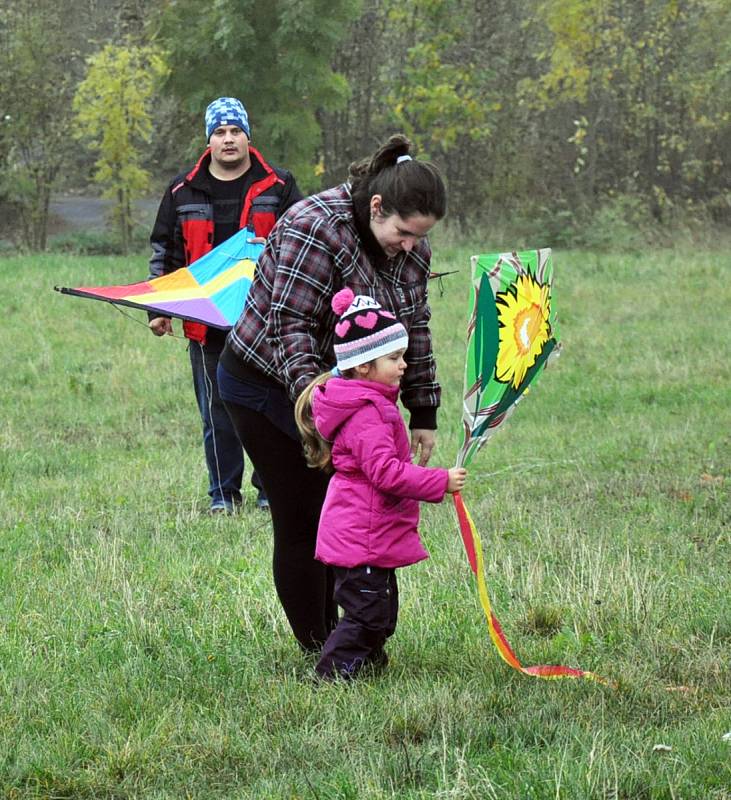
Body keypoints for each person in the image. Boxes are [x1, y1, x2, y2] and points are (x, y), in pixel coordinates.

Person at [218, 133, 447, 651]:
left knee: (342, 510)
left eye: (419, 237)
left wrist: (423, 408)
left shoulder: (410, 249)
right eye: (404, 233)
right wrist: (317, 413)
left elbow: (415, 326)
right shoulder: (313, 227)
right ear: (376, 206)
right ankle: (319, 645)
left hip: (346, 393)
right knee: (302, 513)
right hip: (267, 384)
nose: (410, 246)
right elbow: (291, 326)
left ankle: (346, 633)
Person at [294, 288, 467, 680]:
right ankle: (331, 675)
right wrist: (439, 482)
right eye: (394, 358)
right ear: (362, 367)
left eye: (402, 355)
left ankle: (368, 663)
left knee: (380, 614)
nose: (404, 365)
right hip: (361, 536)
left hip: (370, 533)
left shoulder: (373, 402)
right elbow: (385, 472)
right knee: (368, 614)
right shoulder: (366, 414)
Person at [147, 97, 302, 514]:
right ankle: (223, 495)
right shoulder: (183, 190)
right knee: (217, 412)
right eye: (220, 132)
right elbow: (165, 252)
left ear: (247, 137)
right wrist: (158, 307)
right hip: (206, 322)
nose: (228, 139)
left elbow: (301, 245)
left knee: (272, 407)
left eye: (236, 131)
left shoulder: (280, 186)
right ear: (209, 139)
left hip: (267, 321)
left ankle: (271, 488)